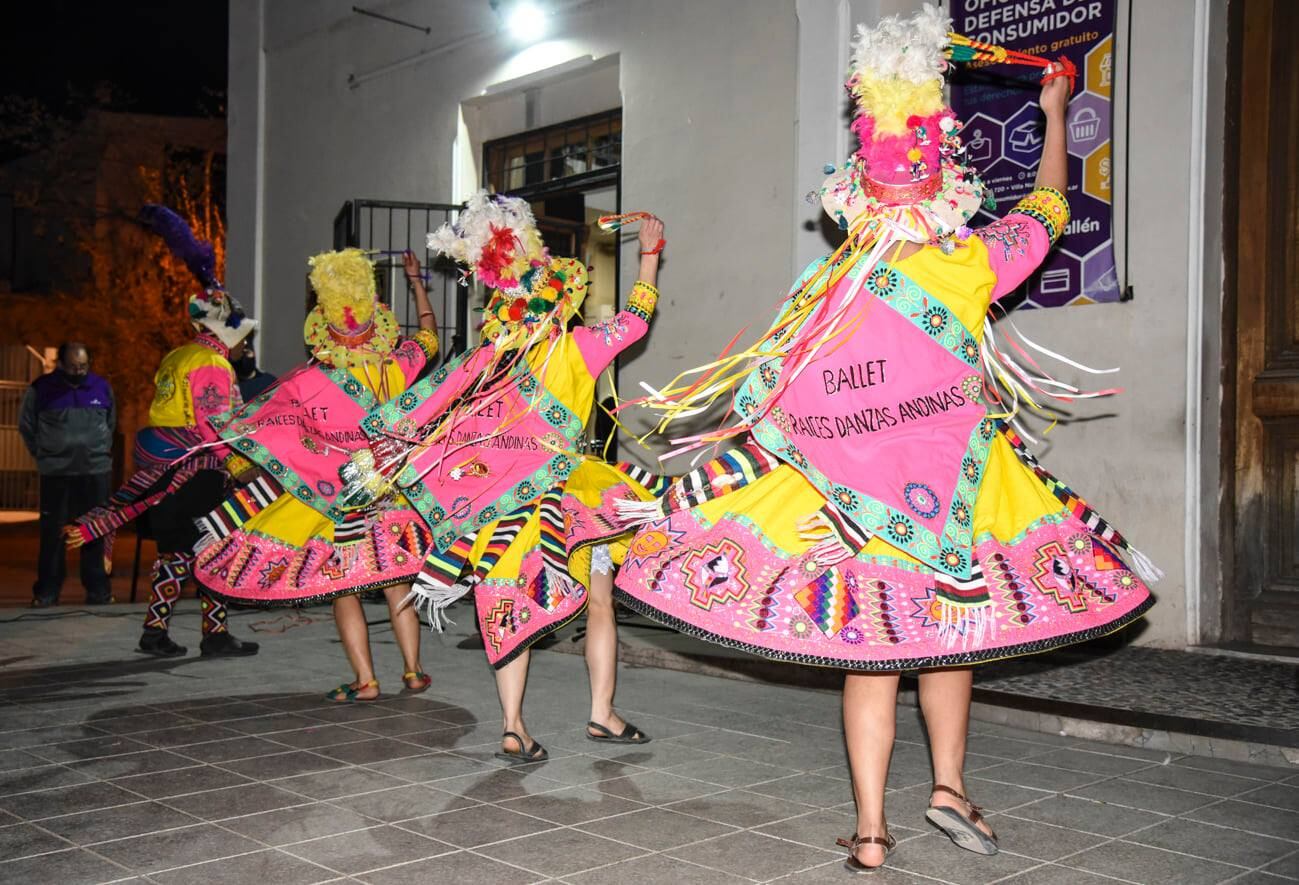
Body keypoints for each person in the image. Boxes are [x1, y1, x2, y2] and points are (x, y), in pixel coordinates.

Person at [611, 8, 1157, 873]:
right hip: (953, 504)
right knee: (952, 640)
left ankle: (869, 832)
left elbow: (771, 397)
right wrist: (1054, 113)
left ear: (854, 188)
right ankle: (946, 786)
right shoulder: (970, 263)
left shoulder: (822, 288)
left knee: (870, 663)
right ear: (944, 181)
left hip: (850, 510)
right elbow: (1049, 209)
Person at [343, 194, 666, 760]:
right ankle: (601, 714)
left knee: (504, 596)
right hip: (567, 496)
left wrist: (382, 456)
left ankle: (514, 725)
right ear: (559, 298)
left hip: (497, 499)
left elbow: (421, 410)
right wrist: (649, 256)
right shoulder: (577, 349)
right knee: (598, 601)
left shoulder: (483, 362)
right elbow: (635, 321)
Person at [191, 248, 441, 701]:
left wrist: (239, 462)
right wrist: (415, 282)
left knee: (342, 590)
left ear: (322, 332)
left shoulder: (304, 383)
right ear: (377, 323)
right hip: (392, 498)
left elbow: (262, 424)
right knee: (397, 583)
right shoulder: (398, 366)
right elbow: (429, 336)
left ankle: (366, 681)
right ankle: (413, 672)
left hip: (335, 503)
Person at [66, 205, 261, 659]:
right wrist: (239, 466)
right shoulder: (212, 364)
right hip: (198, 471)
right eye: (241, 333)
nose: (245, 342)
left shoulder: (178, 356)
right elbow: (213, 426)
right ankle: (213, 635)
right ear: (225, 330)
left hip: (164, 469)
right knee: (213, 548)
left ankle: (155, 632)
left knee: (174, 552)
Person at [20, 342, 115, 606]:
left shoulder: (101, 387)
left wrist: (98, 452)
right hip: (56, 473)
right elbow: (26, 426)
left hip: (94, 472)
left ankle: (98, 590)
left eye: (83, 366)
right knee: (53, 534)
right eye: (73, 366)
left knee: (93, 531)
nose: (78, 371)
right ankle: (47, 591)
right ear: (60, 364)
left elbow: (111, 423)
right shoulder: (42, 389)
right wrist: (44, 455)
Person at [233, 335, 277, 401]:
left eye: (247, 353)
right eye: (242, 353)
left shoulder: (269, 382)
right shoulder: (229, 385)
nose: (244, 356)